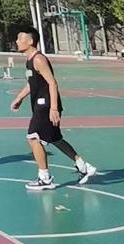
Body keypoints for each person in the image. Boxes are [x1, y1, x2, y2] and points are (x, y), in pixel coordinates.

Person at [11, 27, 97, 190]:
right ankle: (84, 166)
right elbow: (32, 84)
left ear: (31, 41)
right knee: (55, 139)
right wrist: (19, 98)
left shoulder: (38, 59)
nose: (17, 41)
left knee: (33, 137)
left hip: (46, 105)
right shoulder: (29, 60)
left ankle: (44, 178)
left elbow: (52, 83)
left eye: (20, 38)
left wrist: (54, 108)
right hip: (41, 105)